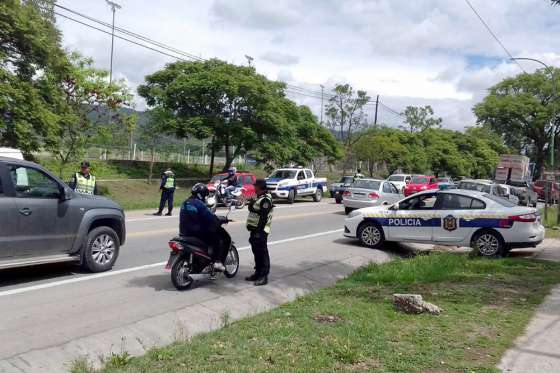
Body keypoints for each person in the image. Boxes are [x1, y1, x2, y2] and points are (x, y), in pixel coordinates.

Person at [179, 183, 226, 271]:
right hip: (197, 232)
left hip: (184, 231)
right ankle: (217, 261)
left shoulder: (185, 202)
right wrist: (218, 220)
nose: (205, 197)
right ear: (202, 194)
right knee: (217, 240)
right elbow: (210, 217)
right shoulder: (199, 204)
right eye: (205, 195)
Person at [245, 179, 273, 286]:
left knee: (262, 253)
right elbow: (256, 212)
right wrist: (252, 206)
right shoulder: (260, 199)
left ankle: (264, 276)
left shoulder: (265, 200)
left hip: (260, 231)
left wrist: (259, 232)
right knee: (257, 253)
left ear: (260, 187)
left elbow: (263, 218)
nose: (254, 187)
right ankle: (257, 273)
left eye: (255, 186)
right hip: (255, 231)